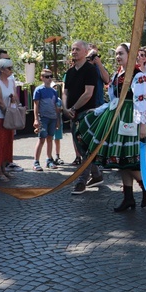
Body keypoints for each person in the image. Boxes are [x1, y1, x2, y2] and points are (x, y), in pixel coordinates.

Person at [73, 44, 146, 209]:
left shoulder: (138, 75)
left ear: (129, 55)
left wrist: (142, 126)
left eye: (121, 53)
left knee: (130, 161)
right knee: (121, 161)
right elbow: (113, 98)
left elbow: (144, 101)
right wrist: (100, 110)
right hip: (118, 116)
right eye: (116, 54)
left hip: (132, 117)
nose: (117, 56)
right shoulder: (119, 74)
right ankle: (128, 197)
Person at [63, 40, 103, 186]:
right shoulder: (70, 71)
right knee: (81, 147)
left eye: (77, 49)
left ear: (86, 52)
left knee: (86, 146)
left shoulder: (90, 69)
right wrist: (66, 108)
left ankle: (82, 179)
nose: (74, 52)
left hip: (86, 114)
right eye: (72, 49)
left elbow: (88, 93)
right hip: (73, 114)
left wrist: (72, 108)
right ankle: (97, 174)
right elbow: (65, 92)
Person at [32, 69, 60, 171]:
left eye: (50, 76)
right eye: (47, 77)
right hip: (43, 117)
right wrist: (36, 119)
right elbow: (36, 105)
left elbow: (56, 106)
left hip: (52, 118)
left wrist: (57, 120)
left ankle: (49, 160)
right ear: (42, 78)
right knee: (41, 139)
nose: (49, 79)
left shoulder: (54, 91)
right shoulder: (39, 90)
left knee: (50, 138)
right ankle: (36, 161)